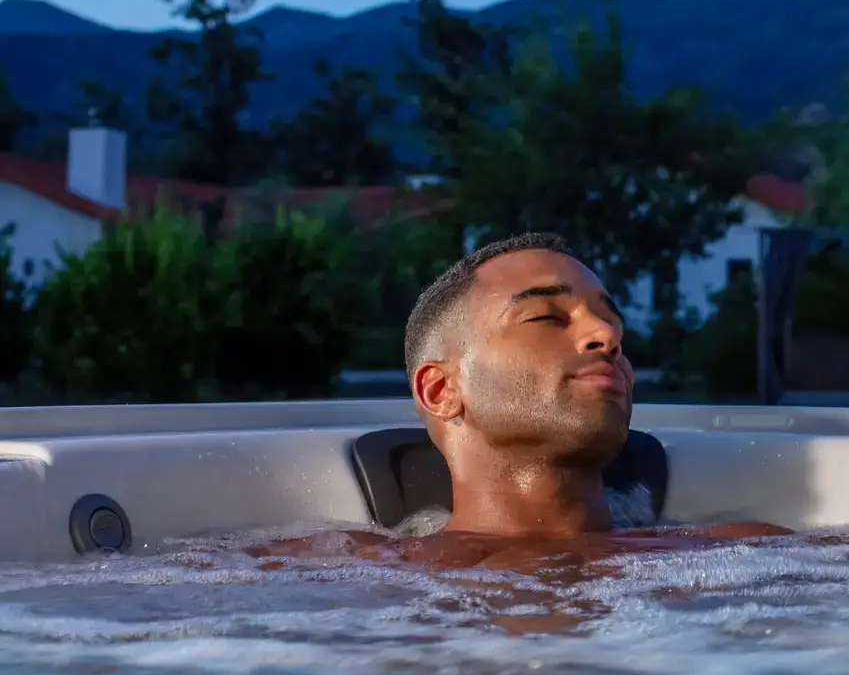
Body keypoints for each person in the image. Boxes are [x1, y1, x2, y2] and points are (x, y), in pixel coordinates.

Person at [251, 232, 792, 586]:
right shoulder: (328, 572)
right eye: (546, 318)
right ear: (441, 390)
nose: (606, 335)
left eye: (611, 320)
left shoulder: (752, 556)